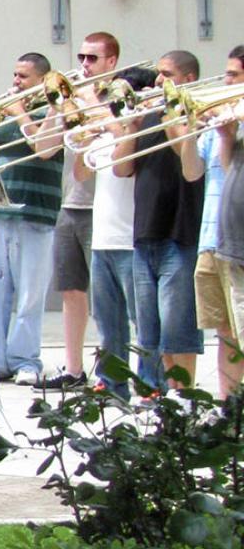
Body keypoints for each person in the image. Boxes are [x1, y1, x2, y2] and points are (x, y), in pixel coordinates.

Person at [0, 53, 59, 386]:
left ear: (42, 80)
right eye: (15, 75)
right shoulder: (4, 113)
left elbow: (44, 147)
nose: (15, 82)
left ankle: (26, 361)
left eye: (23, 77)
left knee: (29, 295)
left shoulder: (55, 109)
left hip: (36, 213)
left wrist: (20, 114)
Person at [76, 66, 157, 395]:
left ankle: (152, 384)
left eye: (117, 97)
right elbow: (81, 173)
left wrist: (105, 117)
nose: (110, 102)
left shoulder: (141, 133)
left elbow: (125, 167)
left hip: (131, 240)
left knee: (144, 322)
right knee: (109, 325)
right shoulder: (106, 132)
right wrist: (85, 131)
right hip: (103, 238)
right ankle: (113, 384)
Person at [44, 31, 117, 389]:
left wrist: (87, 100)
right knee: (71, 291)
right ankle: (74, 370)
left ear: (111, 63)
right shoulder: (71, 99)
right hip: (69, 204)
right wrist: (55, 108)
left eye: (92, 59)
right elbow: (43, 149)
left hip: (102, 208)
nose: (84, 65)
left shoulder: (117, 97)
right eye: (82, 57)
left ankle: (111, 373)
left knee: (105, 299)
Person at [139, 50, 209, 389]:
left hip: (180, 231)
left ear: (188, 79)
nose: (157, 81)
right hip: (145, 230)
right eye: (157, 74)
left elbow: (186, 156)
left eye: (166, 74)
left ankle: (185, 397)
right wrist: (125, 121)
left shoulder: (197, 114)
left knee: (178, 330)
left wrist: (170, 109)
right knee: (153, 330)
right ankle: (167, 397)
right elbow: (123, 168)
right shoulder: (150, 115)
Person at [195, 46, 244, 396]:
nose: (225, 81)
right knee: (230, 329)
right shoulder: (235, 123)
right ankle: (231, 408)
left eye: (233, 75)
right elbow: (230, 174)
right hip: (228, 241)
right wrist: (225, 137)